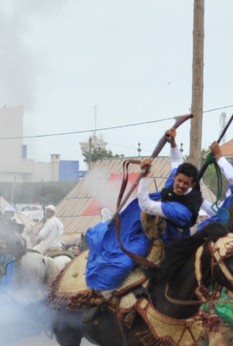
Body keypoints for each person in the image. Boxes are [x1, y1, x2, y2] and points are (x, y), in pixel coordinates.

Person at [81, 133, 202, 312]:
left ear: (192, 185)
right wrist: (173, 142)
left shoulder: (182, 211)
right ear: (176, 177)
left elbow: (145, 204)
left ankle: (106, 292)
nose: (181, 185)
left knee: (125, 262)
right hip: (146, 223)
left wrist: (144, 175)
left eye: (186, 184)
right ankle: (104, 294)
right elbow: (177, 160)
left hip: (166, 237)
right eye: (179, 181)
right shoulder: (176, 178)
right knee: (107, 237)